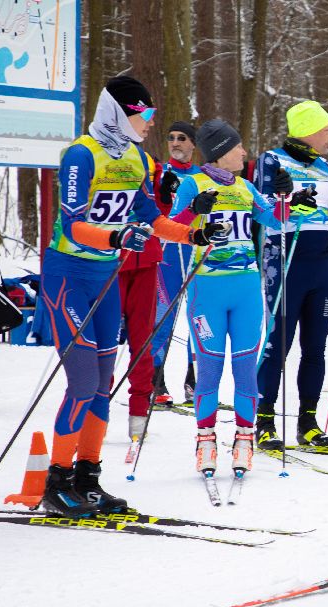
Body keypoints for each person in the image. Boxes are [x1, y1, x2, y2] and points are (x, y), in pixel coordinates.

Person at [39, 75, 225, 517]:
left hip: (106, 275)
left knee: (103, 384)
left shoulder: (138, 159)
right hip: (69, 275)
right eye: (144, 115)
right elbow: (71, 223)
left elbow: (150, 217)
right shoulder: (82, 155)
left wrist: (194, 234)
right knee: (83, 383)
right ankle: (56, 479)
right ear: (120, 114)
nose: (149, 123)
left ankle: (88, 478)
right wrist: (116, 236)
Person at [254, 100, 328, 450]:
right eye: (326, 129)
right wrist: (290, 204)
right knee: (278, 344)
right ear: (308, 130)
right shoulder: (273, 160)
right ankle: (264, 419)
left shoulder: (325, 166)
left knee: (315, 347)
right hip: (285, 264)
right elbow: (260, 207)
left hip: (321, 268)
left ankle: (308, 421)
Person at [172, 119, 293, 474]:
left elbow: (275, 221)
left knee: (244, 368)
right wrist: (194, 209)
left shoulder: (245, 187)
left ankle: (244, 438)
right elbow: (171, 227)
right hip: (207, 288)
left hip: (245, 288)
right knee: (209, 368)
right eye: (238, 147)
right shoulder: (193, 183)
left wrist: (286, 197)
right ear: (222, 152)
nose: (244, 152)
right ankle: (205, 440)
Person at [152, 120, 202, 405]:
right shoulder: (161, 174)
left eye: (182, 138)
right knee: (163, 316)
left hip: (195, 252)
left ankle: (194, 380)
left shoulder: (203, 175)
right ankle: (155, 381)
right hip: (168, 255)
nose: (175, 143)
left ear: (193, 143)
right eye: (171, 138)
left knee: (198, 316)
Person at [118, 141, 164, 438]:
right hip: (111, 263)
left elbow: (163, 217)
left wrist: (163, 188)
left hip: (146, 261)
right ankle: (95, 413)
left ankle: (138, 412)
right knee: (104, 344)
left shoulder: (150, 165)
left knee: (142, 340)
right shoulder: (96, 160)